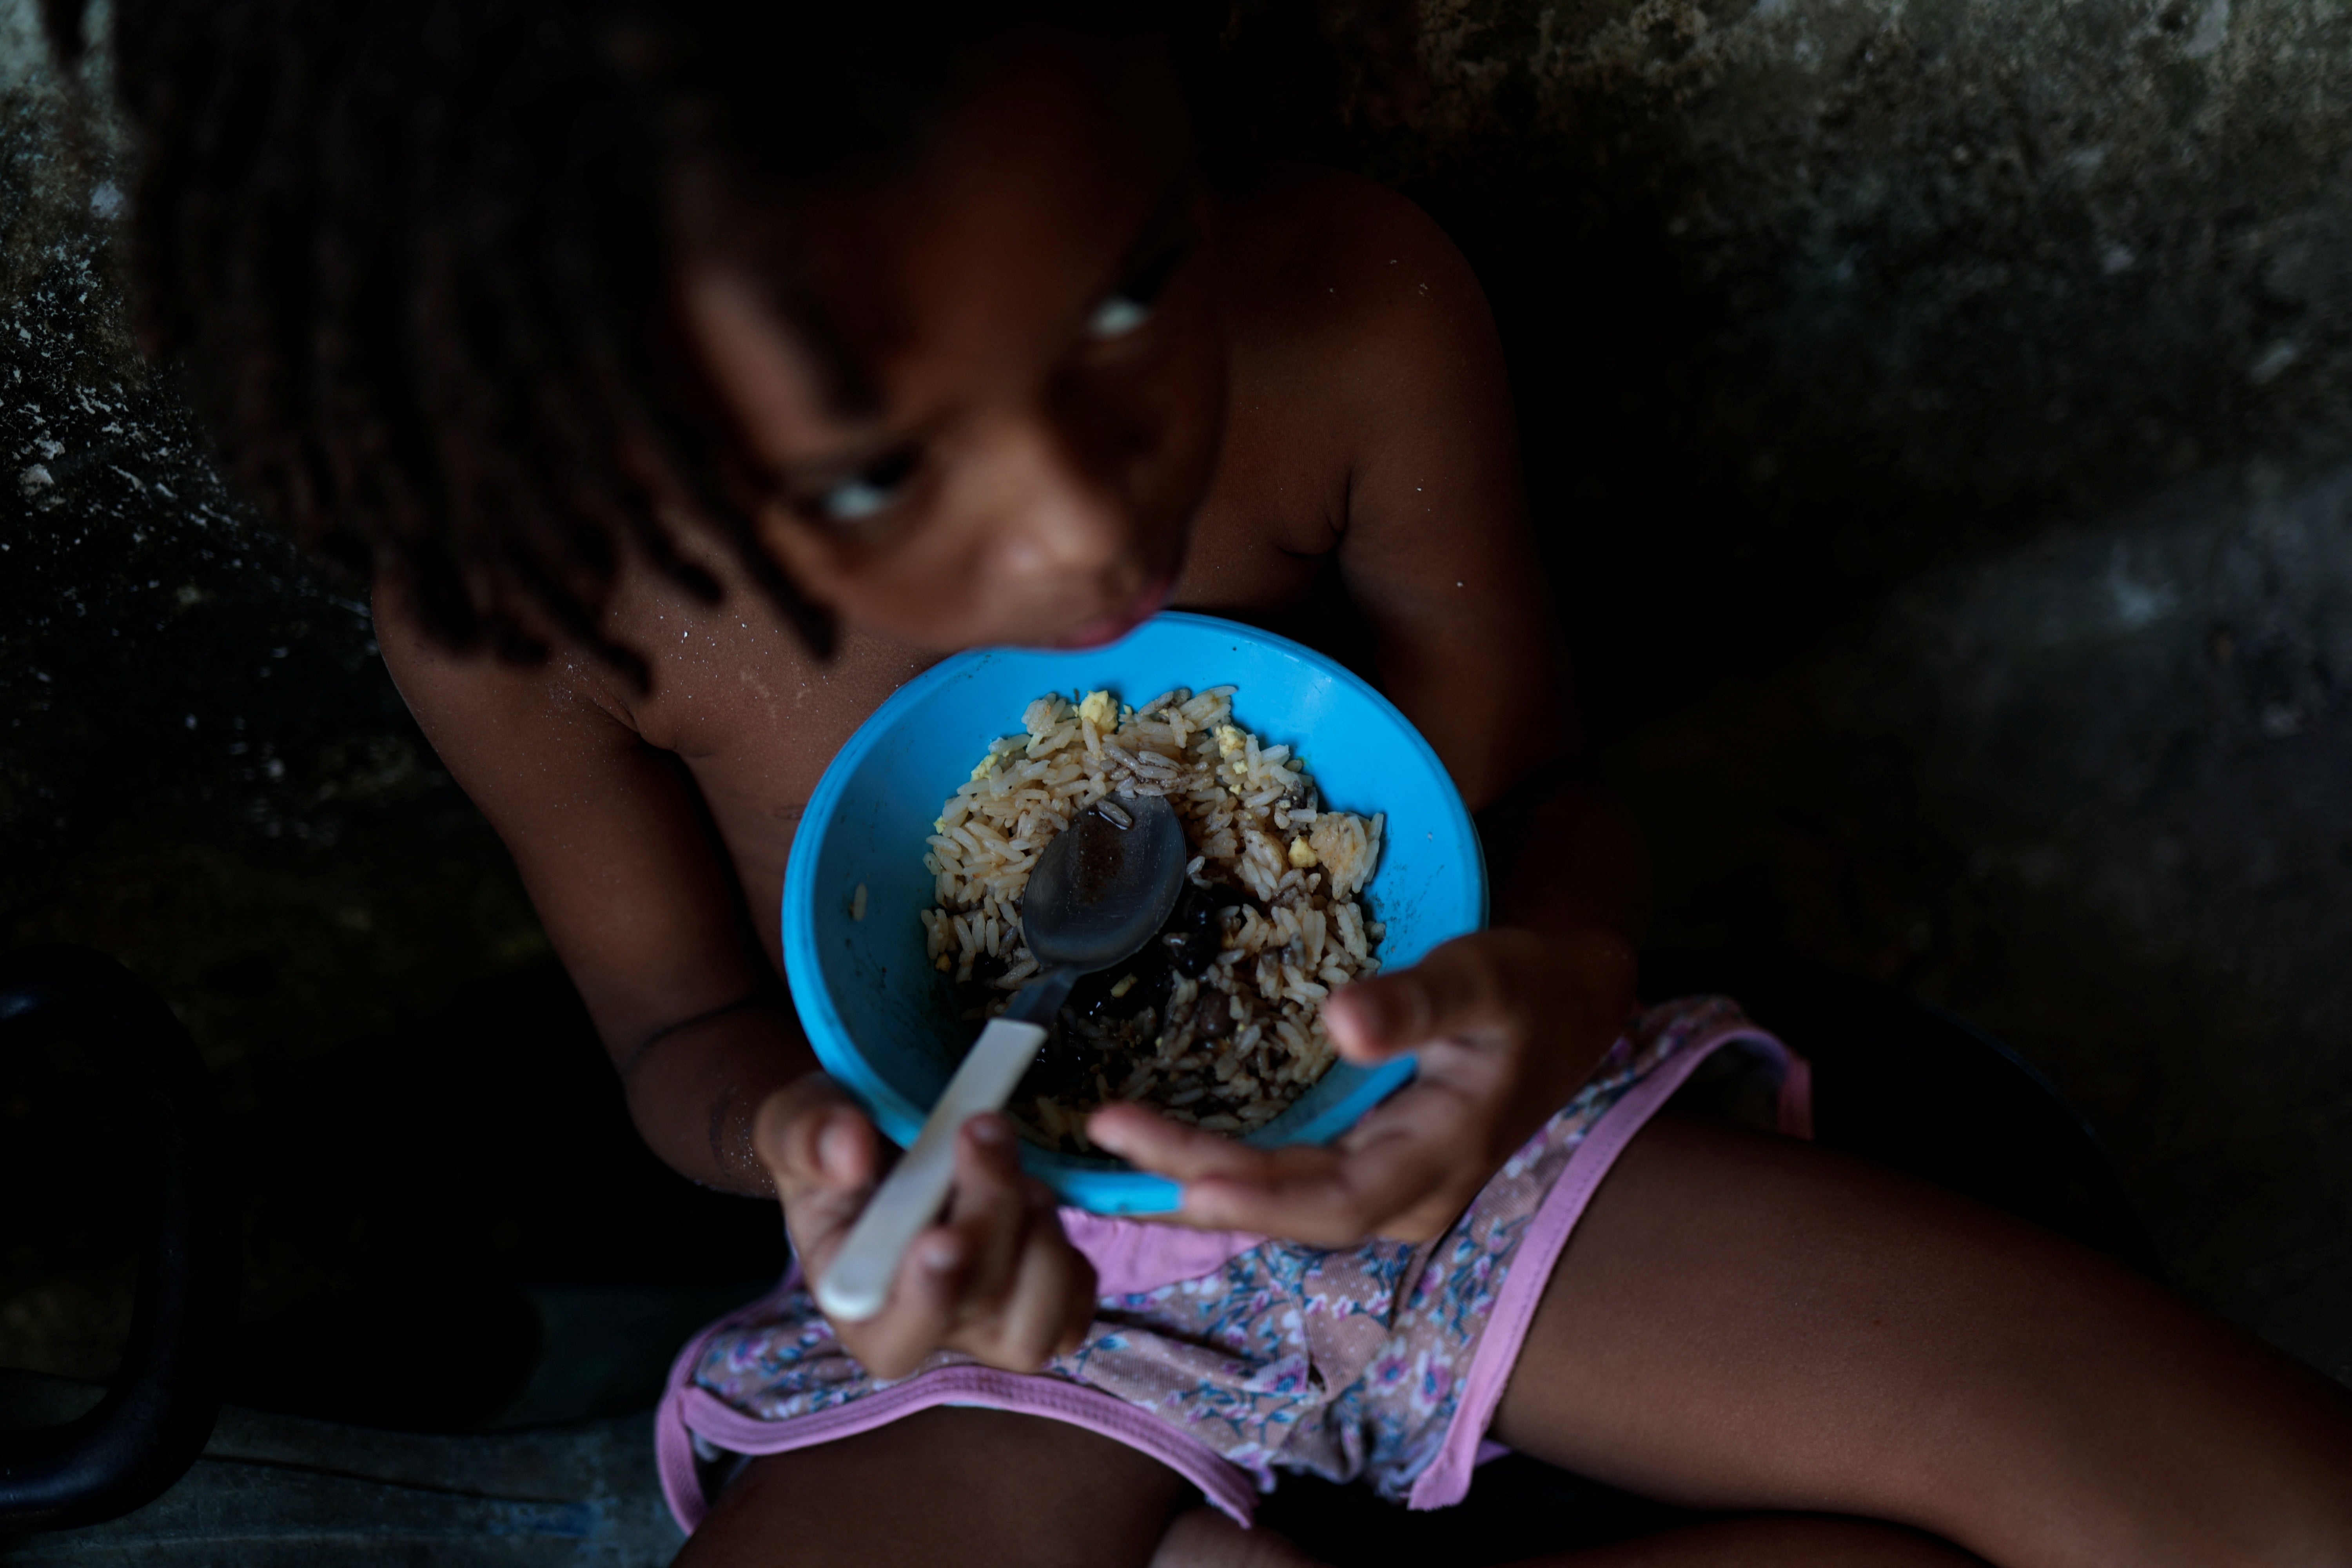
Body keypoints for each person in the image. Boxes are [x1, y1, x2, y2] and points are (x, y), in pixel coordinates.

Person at [48, 2, 2352, 1563]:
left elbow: (1544, 787)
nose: (1088, 529)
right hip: (981, 1302)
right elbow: (677, 1041)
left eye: (1130, 292)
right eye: (874, 475)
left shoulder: (1349, 315)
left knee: (2211, 1482)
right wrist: (811, 1158)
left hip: (1449, 1165)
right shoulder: (535, 611)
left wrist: (1542, 979)